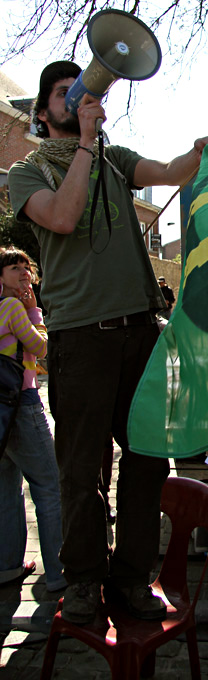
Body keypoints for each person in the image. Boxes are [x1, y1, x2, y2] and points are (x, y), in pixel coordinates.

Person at [8, 60, 208, 625]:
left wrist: (198, 153)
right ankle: (82, 582)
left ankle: (131, 580)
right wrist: (86, 144)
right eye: (64, 94)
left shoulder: (114, 159)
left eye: (83, 91)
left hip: (139, 333)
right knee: (79, 470)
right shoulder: (27, 172)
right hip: (80, 339)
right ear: (42, 112)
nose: (78, 99)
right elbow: (63, 216)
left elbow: (168, 171)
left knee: (147, 463)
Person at [0, 246, 65, 592]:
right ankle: (58, 572)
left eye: (26, 267)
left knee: (7, 489)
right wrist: (33, 310)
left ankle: (7, 566)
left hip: (1, 410)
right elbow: (42, 349)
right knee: (49, 485)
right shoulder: (12, 308)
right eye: (14, 267)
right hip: (21, 403)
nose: (23, 272)